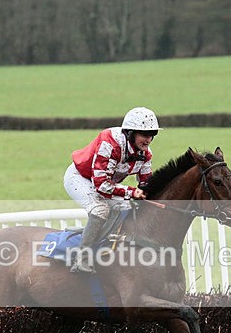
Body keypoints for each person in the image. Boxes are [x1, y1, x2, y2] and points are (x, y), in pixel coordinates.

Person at [63, 106, 162, 273]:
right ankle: (82, 258)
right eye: (145, 135)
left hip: (105, 183)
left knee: (125, 207)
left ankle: (96, 238)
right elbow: (101, 185)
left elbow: (146, 184)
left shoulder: (146, 154)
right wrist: (131, 193)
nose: (149, 140)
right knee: (100, 210)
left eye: (152, 135)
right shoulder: (109, 142)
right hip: (80, 178)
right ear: (130, 133)